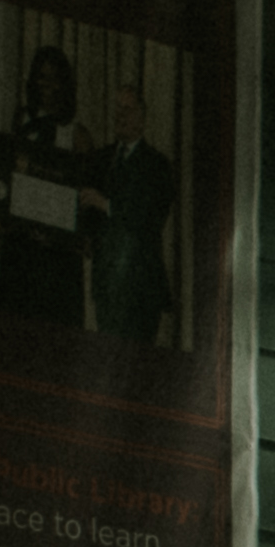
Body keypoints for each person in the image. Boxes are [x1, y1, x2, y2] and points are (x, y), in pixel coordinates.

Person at [78, 69, 183, 345]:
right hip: (107, 286)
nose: (120, 116)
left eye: (128, 109)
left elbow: (149, 218)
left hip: (141, 291)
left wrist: (107, 204)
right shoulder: (101, 159)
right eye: (117, 109)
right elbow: (85, 210)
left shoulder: (157, 166)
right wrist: (88, 234)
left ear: (142, 117)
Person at [0, 44, 91, 320]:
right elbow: (6, 177)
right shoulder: (21, 121)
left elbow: (84, 196)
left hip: (56, 258)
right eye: (42, 77)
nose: (49, 85)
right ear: (33, 81)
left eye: (56, 78)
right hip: (20, 251)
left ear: (65, 84)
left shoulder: (77, 134)